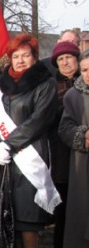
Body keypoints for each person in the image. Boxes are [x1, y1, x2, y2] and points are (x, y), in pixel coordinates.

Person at [0, 33, 59, 248]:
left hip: (30, 154)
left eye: (25, 55)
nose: (20, 60)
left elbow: (39, 119)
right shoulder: (0, 86)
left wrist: (9, 143)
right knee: (0, 214)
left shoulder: (45, 83)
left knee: (27, 218)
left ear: (35, 57)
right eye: (15, 56)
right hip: (2, 157)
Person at [49, 41, 81, 248]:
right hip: (61, 155)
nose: (65, 62)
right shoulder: (51, 86)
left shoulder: (84, 81)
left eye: (69, 57)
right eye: (60, 59)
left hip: (83, 154)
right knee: (64, 210)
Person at [58, 49, 89, 248]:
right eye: (85, 70)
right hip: (83, 167)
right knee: (82, 217)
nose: (87, 74)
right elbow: (64, 128)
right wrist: (83, 135)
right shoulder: (73, 95)